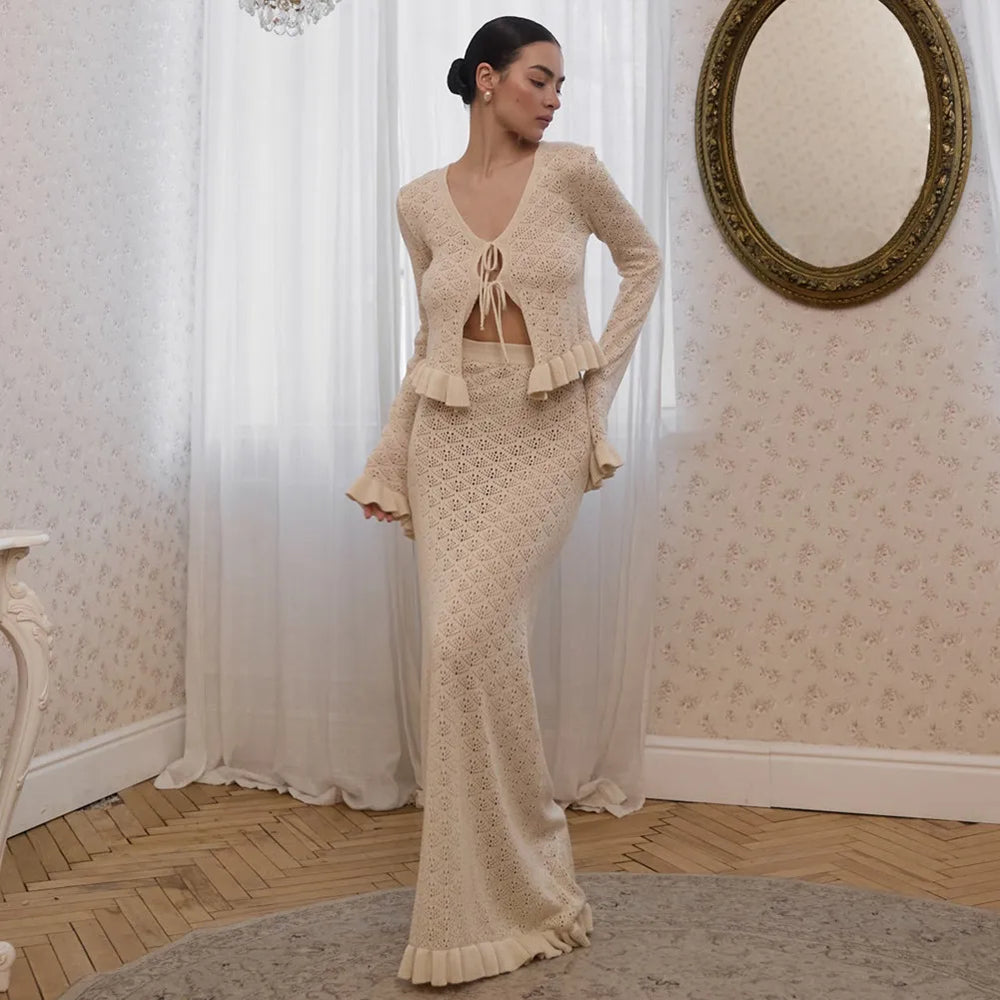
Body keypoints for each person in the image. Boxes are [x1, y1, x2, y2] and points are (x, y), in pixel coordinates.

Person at [346, 15, 662, 988]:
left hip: (538, 436)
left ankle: (529, 873)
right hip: (447, 442)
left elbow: (643, 264)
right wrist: (391, 459)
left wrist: (592, 396)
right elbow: (423, 343)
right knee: (468, 656)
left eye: (560, 82)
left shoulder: (572, 172)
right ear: (487, 80)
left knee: (466, 636)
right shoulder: (417, 204)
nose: (555, 96)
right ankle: (499, 888)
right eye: (539, 78)